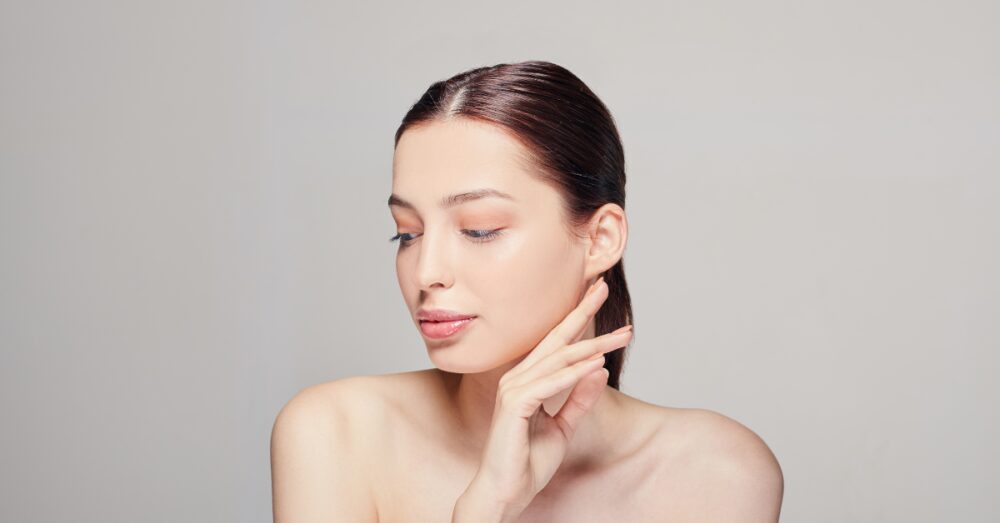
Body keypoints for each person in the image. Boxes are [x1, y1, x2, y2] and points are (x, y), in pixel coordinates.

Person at [270, 60, 783, 522]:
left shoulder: (716, 472)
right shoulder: (335, 434)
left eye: (479, 229)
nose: (426, 271)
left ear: (600, 239)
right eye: (407, 233)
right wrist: (485, 507)